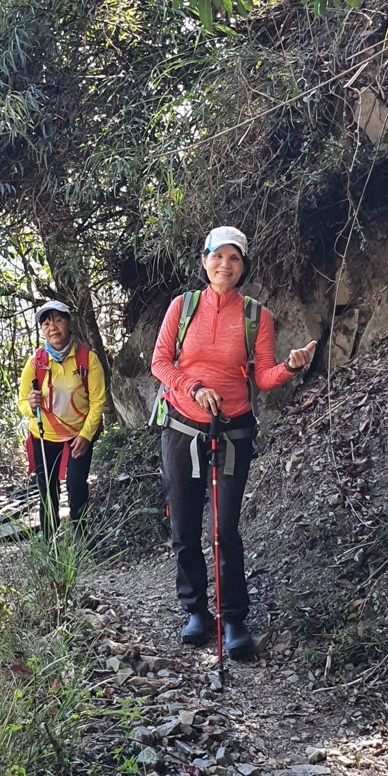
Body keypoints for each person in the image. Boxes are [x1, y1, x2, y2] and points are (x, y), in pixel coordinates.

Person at [151, 227, 316, 659]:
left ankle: (233, 618)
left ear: (244, 267)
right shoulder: (182, 306)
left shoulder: (255, 315)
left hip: (232, 431)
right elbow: (160, 362)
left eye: (235, 258)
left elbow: (262, 377)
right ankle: (195, 611)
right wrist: (194, 386)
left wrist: (289, 368)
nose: (226, 265)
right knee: (184, 526)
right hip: (182, 429)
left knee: (225, 530)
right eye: (218, 256)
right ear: (203, 259)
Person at [18, 300, 106, 538]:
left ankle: (81, 539)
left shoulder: (88, 359)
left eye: (57, 320)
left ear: (68, 323)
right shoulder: (36, 362)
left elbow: (98, 401)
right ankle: (51, 545)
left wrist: (87, 436)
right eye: (46, 323)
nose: (52, 327)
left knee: (77, 486)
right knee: (47, 490)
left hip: (79, 434)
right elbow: (22, 403)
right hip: (43, 435)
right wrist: (31, 405)